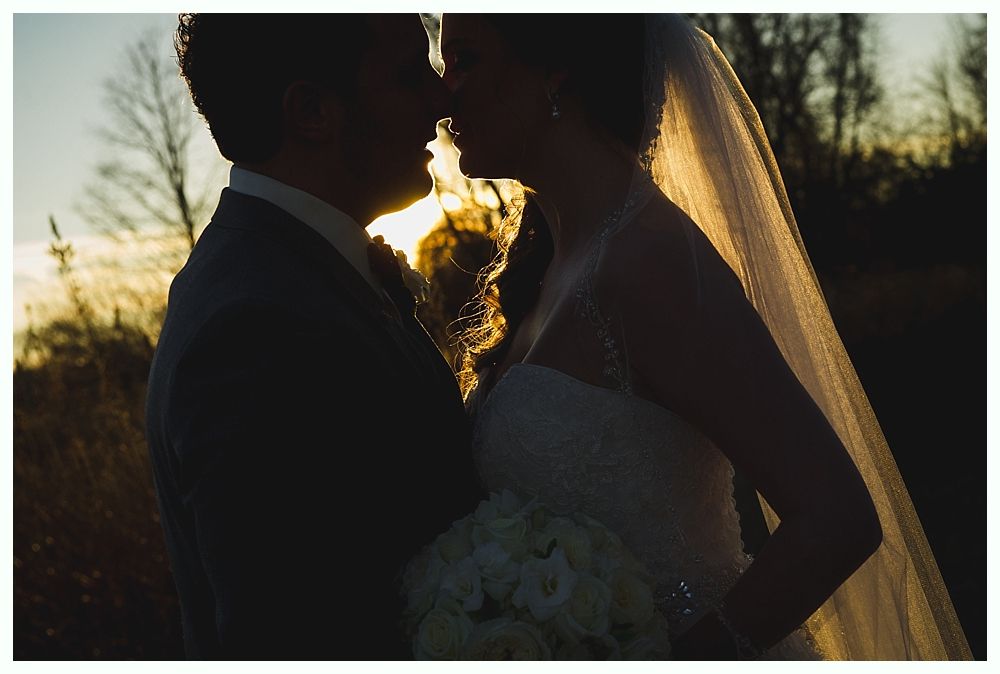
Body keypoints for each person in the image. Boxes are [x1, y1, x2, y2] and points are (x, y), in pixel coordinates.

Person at [444, 14, 972, 660]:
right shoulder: (547, 263)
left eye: (463, 60)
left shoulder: (650, 260)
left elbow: (837, 517)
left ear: (555, 71)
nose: (445, 91)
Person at [145, 14, 483, 659]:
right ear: (311, 112)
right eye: (409, 74)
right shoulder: (250, 330)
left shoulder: (289, 271)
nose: (441, 99)